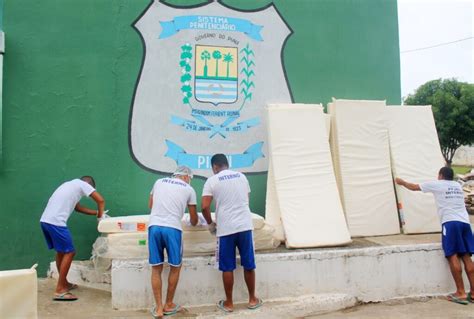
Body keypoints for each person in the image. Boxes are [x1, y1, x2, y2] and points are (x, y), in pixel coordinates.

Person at [396, 166, 474, 305]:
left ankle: (461, 293)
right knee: (467, 257)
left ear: (440, 176)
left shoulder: (437, 184)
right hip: (465, 223)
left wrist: (401, 182)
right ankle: (473, 293)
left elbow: (414, 187)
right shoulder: (457, 185)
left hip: (450, 223)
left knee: (452, 255)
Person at [201, 154, 262, 312]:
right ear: (227, 164)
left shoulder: (212, 181)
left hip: (226, 229)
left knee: (227, 266)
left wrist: (210, 224)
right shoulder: (242, 177)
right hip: (244, 226)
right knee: (249, 264)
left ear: (214, 167)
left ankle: (229, 303)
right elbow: (246, 200)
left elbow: (205, 207)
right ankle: (252, 300)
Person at [40, 176, 105, 301]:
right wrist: (100, 217)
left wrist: (96, 213)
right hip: (56, 222)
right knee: (70, 252)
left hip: (45, 221)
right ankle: (60, 290)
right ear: (90, 185)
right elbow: (101, 200)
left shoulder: (70, 185)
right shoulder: (83, 184)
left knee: (61, 252)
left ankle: (64, 283)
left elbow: (78, 208)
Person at [148, 166, 198, 318]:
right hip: (173, 229)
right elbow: (194, 219)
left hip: (154, 226)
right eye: (189, 178)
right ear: (186, 176)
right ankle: (168, 304)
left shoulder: (158, 182)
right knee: (175, 266)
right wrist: (192, 220)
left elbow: (151, 205)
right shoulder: (189, 189)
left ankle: (158, 309)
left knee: (156, 268)